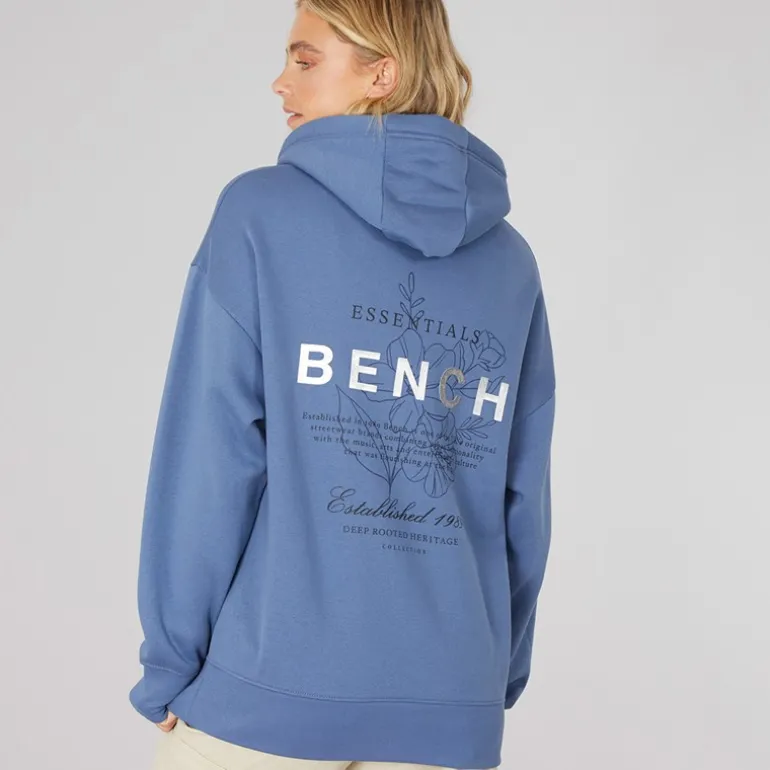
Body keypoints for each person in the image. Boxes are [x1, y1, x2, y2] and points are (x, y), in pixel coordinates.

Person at [128, 1, 557, 769]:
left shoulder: (259, 213)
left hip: (267, 693)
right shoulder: (510, 263)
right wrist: (492, 673)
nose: (279, 81)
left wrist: (171, 657)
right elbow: (523, 500)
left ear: (380, 73)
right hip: (448, 701)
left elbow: (211, 459)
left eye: (304, 59)